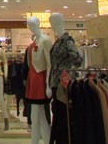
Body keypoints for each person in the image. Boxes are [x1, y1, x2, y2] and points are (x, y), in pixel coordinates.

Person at [48, 12, 83, 144]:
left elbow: (78, 59)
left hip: (62, 85)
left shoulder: (67, 41)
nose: (51, 26)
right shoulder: (59, 41)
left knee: (63, 116)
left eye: (52, 22)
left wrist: (68, 73)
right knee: (58, 114)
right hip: (56, 83)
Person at [26, 16, 52, 144]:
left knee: (36, 115)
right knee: (40, 115)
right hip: (33, 78)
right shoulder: (35, 41)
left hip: (40, 79)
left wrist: (48, 85)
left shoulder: (45, 40)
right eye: (29, 26)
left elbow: (49, 64)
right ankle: (46, 140)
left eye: (33, 25)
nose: (31, 28)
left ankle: (35, 141)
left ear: (38, 23)